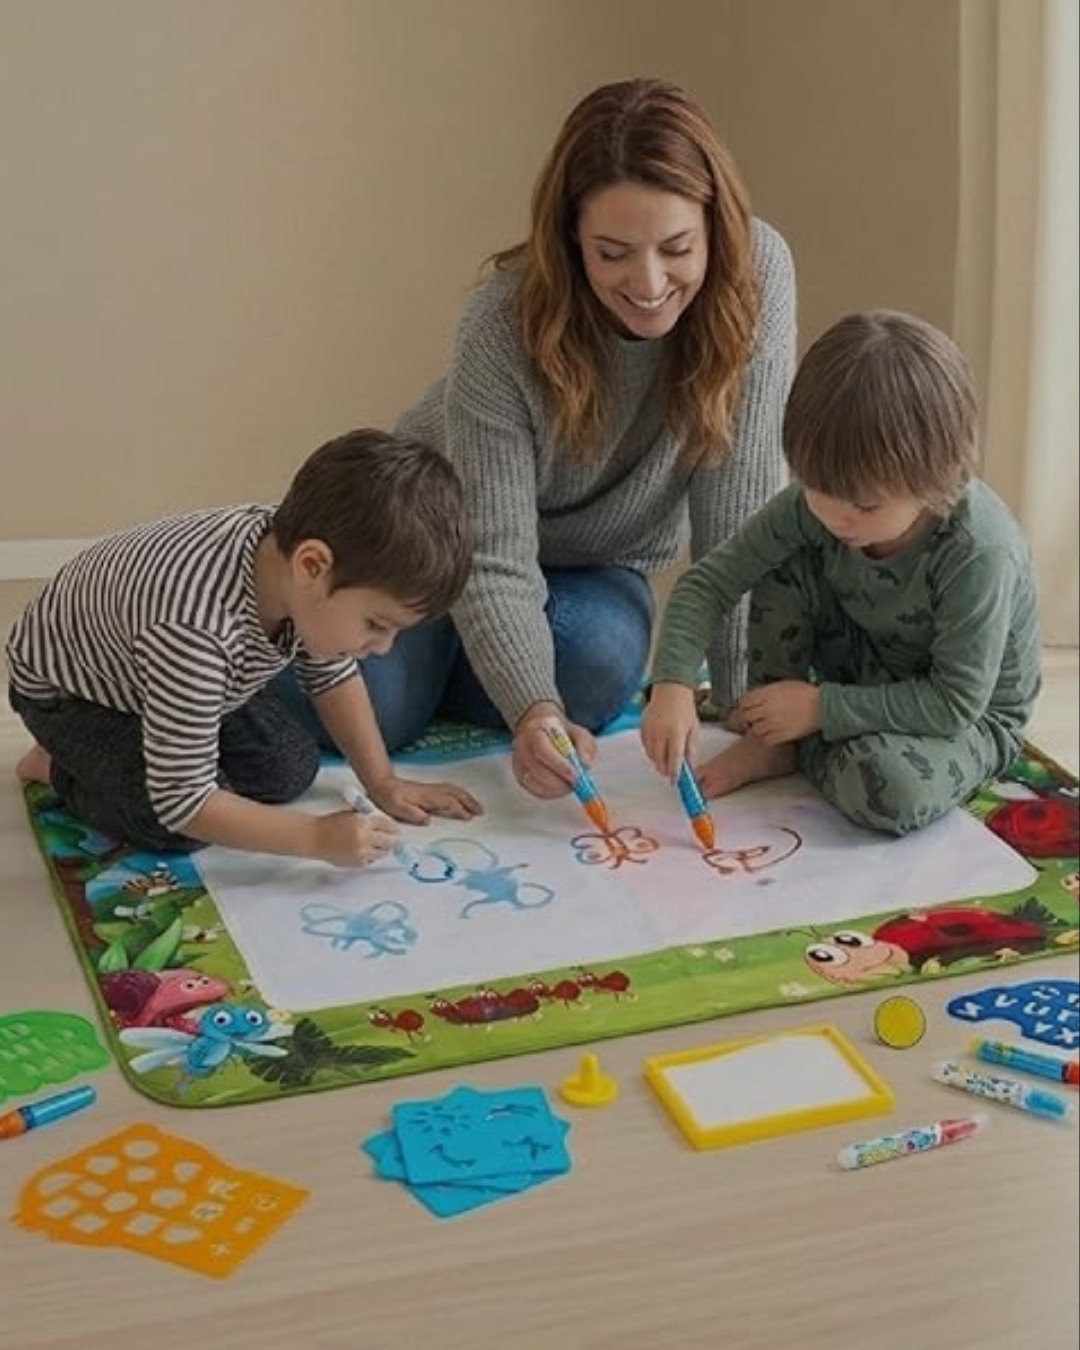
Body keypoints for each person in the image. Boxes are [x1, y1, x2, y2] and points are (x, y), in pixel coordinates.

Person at [274, 77, 796, 804]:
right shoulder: (501, 319)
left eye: (677, 248)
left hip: (589, 567)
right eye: (612, 253)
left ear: (717, 227)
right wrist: (533, 707)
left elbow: (736, 524)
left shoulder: (760, 276)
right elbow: (489, 553)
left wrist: (747, 712)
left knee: (603, 664)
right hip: (436, 550)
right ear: (570, 241)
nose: (649, 284)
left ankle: (462, 663)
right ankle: (325, 640)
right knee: (366, 707)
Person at [642, 309, 1041, 836]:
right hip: (862, 666)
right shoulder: (823, 506)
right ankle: (776, 738)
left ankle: (789, 741)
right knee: (786, 552)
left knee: (891, 790)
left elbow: (953, 704)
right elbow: (708, 584)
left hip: (963, 717)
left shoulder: (978, 550)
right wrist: (671, 686)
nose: (835, 517)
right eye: (815, 488)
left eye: (865, 506)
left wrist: (819, 708)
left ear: (937, 480)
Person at [7, 429, 482, 866]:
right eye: (376, 624)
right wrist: (316, 838)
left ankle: (164, 746)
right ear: (312, 565)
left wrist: (383, 782)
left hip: (169, 675)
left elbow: (331, 672)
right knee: (172, 823)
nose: (383, 648)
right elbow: (184, 800)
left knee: (289, 771)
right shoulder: (194, 630)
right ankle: (56, 766)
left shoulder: (295, 569)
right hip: (77, 698)